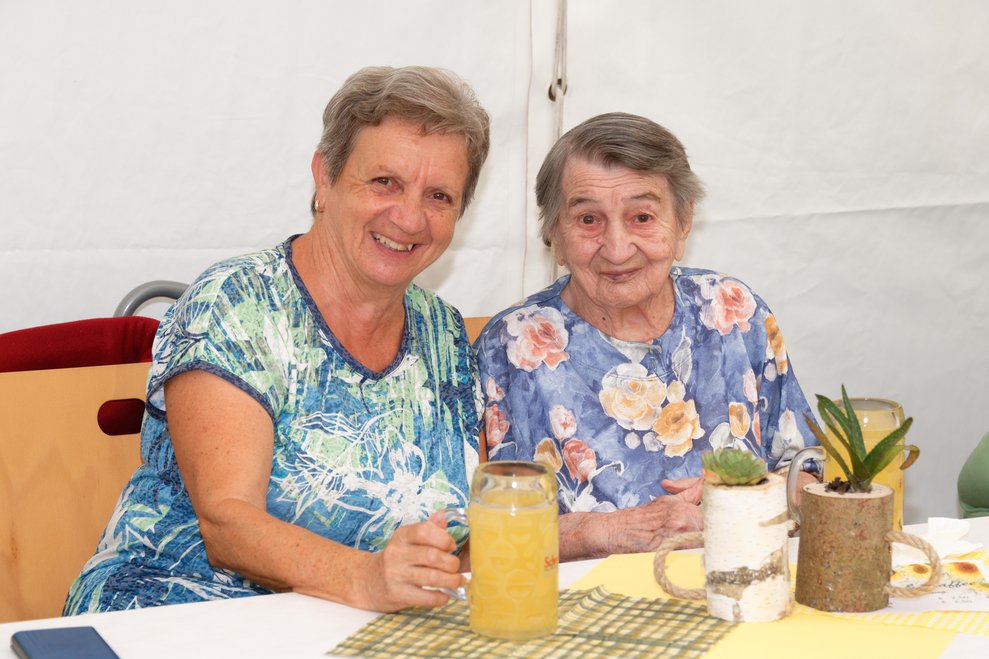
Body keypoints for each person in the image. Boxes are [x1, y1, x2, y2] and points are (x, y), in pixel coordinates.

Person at [64, 66, 490, 614]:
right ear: (324, 177)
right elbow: (227, 523)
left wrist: (580, 537)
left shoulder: (443, 334)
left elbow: (468, 533)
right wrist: (365, 578)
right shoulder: (238, 302)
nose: (409, 218)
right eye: (385, 181)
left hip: (348, 625)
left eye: (439, 196)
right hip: (174, 611)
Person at [475, 112, 818, 561]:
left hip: (739, 584)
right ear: (554, 234)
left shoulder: (734, 313)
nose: (617, 249)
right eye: (588, 219)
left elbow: (810, 472)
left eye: (642, 217)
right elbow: (483, 534)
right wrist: (606, 531)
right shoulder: (510, 348)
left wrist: (746, 497)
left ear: (683, 222)